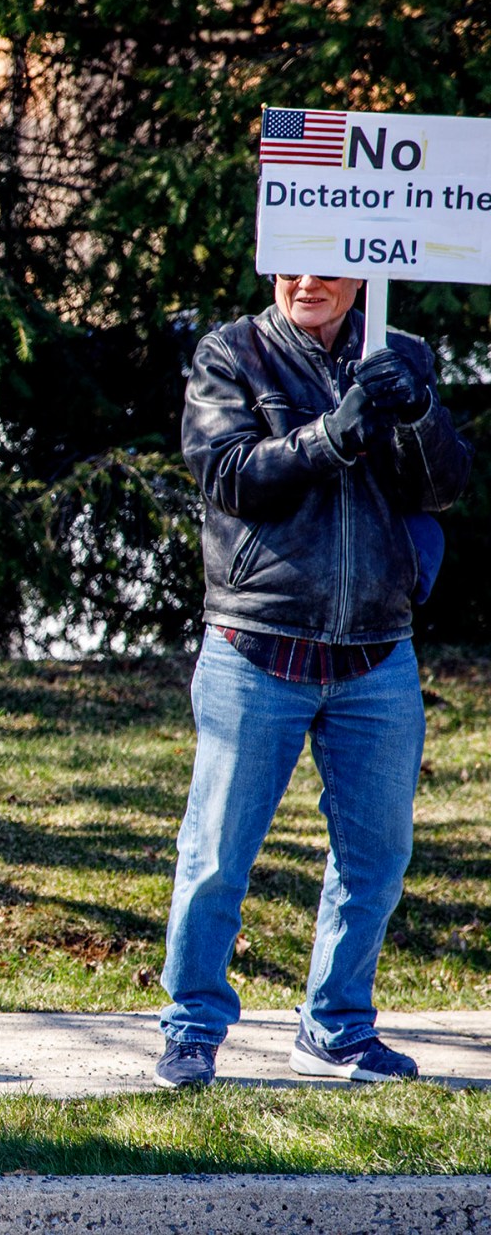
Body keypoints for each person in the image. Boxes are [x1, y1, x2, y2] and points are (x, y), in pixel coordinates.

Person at [155, 272, 473, 1089]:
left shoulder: (399, 353)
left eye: (327, 266)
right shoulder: (233, 352)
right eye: (292, 264)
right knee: (218, 853)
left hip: (376, 652)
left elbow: (443, 485)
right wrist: (330, 435)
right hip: (256, 647)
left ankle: (336, 1028)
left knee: (376, 858)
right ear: (272, 267)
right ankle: (191, 1029)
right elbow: (228, 474)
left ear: (362, 271)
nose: (307, 282)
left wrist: (417, 412)